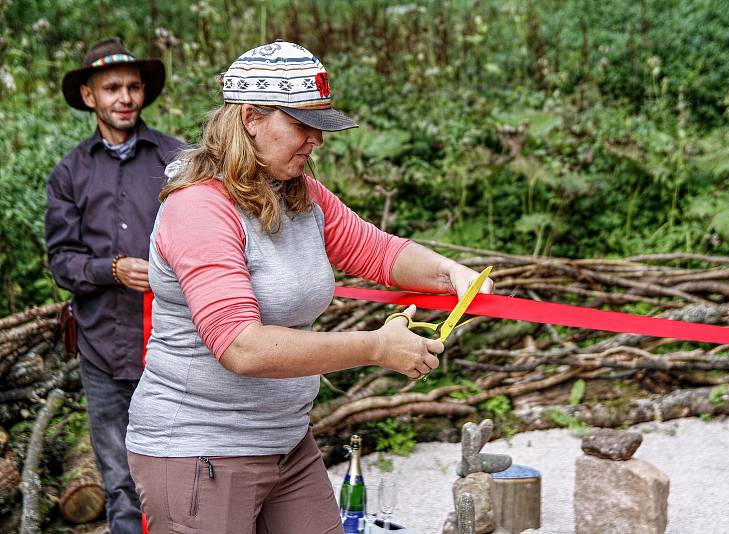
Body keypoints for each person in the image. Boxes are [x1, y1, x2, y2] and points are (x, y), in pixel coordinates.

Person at [124, 40, 493, 534]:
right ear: (251, 117)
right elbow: (241, 347)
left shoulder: (300, 195)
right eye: (302, 125)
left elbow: (380, 252)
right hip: (201, 449)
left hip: (286, 442)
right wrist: (377, 347)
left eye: (320, 126)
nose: (316, 140)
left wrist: (450, 273)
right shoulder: (199, 209)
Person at [45, 38, 183, 534]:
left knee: (185, 466)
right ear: (89, 97)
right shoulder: (70, 172)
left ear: (143, 93)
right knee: (119, 478)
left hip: (173, 344)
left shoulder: (176, 159)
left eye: (133, 86)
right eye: (111, 88)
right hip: (101, 346)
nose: (124, 97)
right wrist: (113, 270)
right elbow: (62, 262)